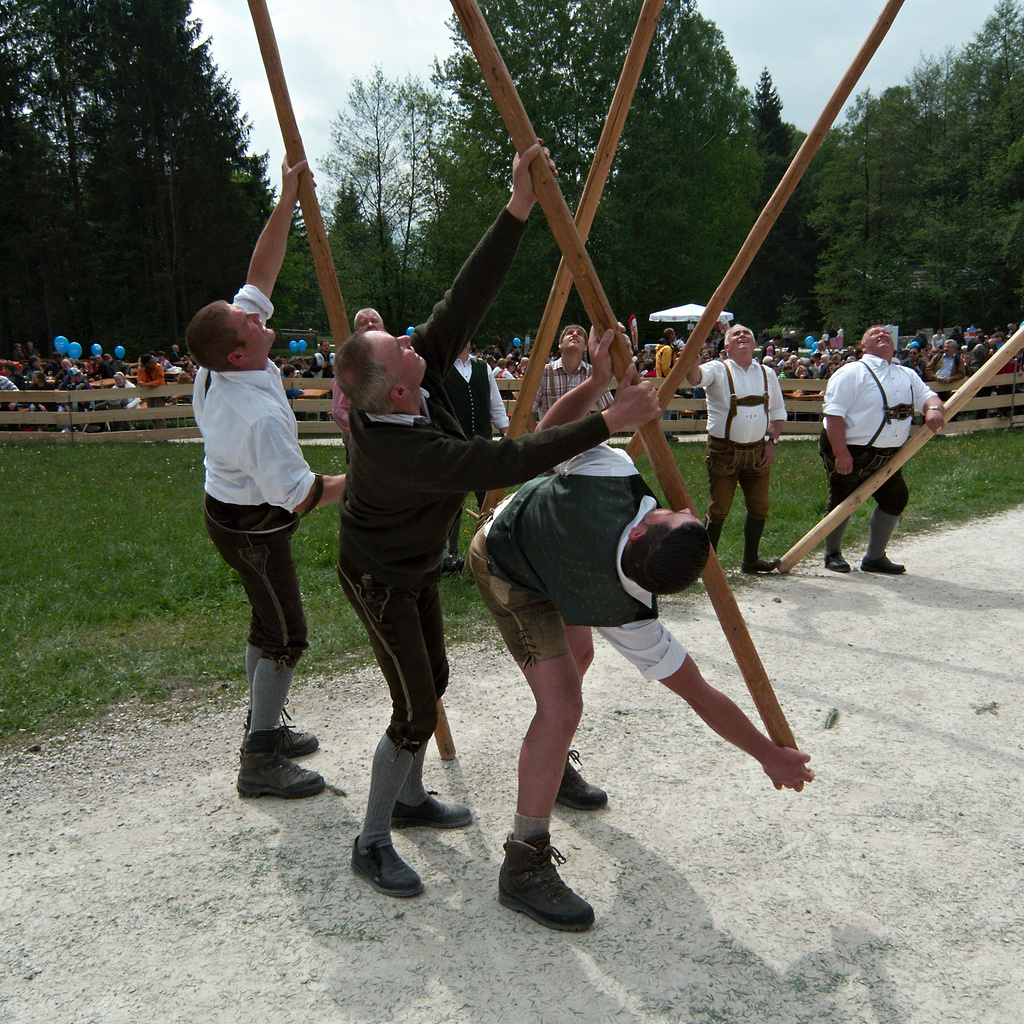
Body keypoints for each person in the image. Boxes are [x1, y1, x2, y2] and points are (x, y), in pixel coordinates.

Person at [333, 143, 661, 900]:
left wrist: (516, 207)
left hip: (413, 564)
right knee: (415, 704)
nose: (416, 341)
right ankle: (372, 838)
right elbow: (503, 461)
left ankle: (409, 799)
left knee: (433, 678)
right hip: (378, 575)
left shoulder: (419, 373)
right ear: (393, 390)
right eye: (402, 348)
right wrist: (607, 418)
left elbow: (464, 298)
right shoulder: (397, 450)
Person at [468, 326, 814, 931]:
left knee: (575, 665)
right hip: (508, 555)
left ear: (637, 540)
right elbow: (546, 436)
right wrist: (600, 390)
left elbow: (702, 695)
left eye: (672, 511)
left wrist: (768, 755)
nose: (677, 501)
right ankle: (524, 862)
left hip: (544, 569)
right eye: (676, 511)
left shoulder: (622, 596)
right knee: (563, 703)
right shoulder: (621, 567)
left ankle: (545, 783)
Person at [185, 156, 346, 799]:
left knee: (263, 621)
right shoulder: (253, 417)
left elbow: (260, 272)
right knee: (285, 633)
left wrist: (286, 199)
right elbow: (304, 495)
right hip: (253, 522)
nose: (255, 311)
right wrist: (373, 480)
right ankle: (260, 760)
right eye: (246, 318)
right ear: (237, 351)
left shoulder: (230, 360)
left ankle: (264, 726)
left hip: (233, 511)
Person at [820, 325, 945, 574]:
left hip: (889, 455)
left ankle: (874, 558)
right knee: (841, 502)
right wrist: (841, 453)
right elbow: (833, 416)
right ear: (863, 346)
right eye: (874, 333)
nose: (882, 334)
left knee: (895, 498)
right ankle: (832, 554)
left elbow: (930, 397)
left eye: (885, 332)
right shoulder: (851, 372)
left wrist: (932, 409)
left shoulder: (906, 374)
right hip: (852, 450)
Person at [685, 324, 786, 573]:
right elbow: (695, 378)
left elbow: (778, 412)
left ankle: (750, 562)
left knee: (760, 507)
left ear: (754, 345)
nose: (742, 336)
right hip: (724, 452)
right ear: (726, 346)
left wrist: (772, 443)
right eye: (736, 334)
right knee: (718, 509)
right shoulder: (717, 369)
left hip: (757, 452)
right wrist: (691, 362)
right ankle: (708, 567)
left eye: (747, 334)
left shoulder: (767, 373)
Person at [440, 340, 510, 572]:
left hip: (482, 443)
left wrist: (507, 433)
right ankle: (450, 555)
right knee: (452, 500)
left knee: (488, 499)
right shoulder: (441, 367)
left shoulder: (484, 368)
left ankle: (488, 552)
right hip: (454, 444)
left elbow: (496, 405)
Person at [527, 322, 613, 431]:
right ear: (560, 344)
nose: (575, 334)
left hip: (581, 442)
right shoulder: (544, 372)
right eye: (570, 333)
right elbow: (527, 411)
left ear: (585, 347)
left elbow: (608, 408)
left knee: (619, 450)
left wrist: (592, 434)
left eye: (580, 334)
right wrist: (537, 441)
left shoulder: (592, 373)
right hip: (549, 442)